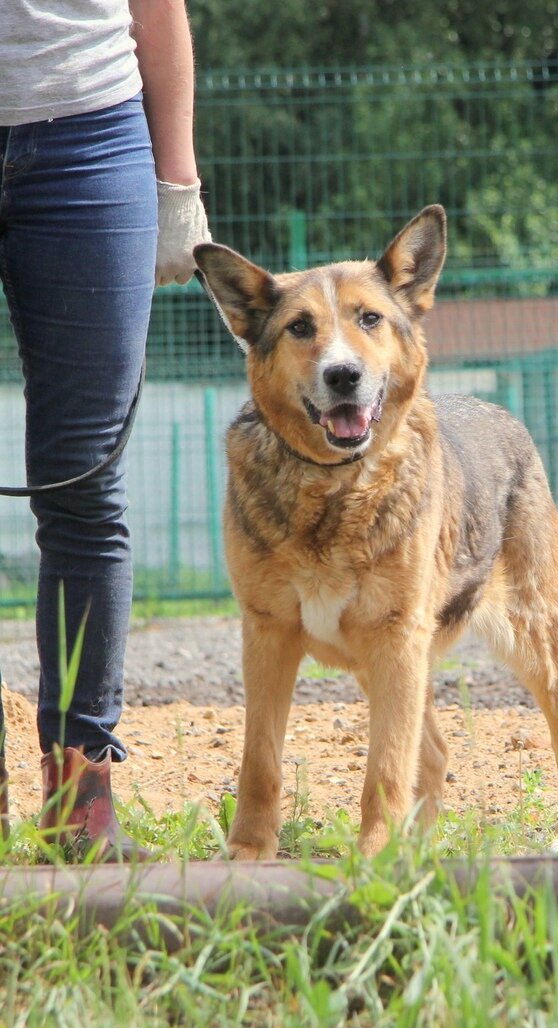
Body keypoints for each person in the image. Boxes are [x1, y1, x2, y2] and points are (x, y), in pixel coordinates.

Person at [0, 1, 211, 857]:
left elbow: (156, 9)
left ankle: (80, 803)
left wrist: (179, 186)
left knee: (82, 481)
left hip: (90, 138)